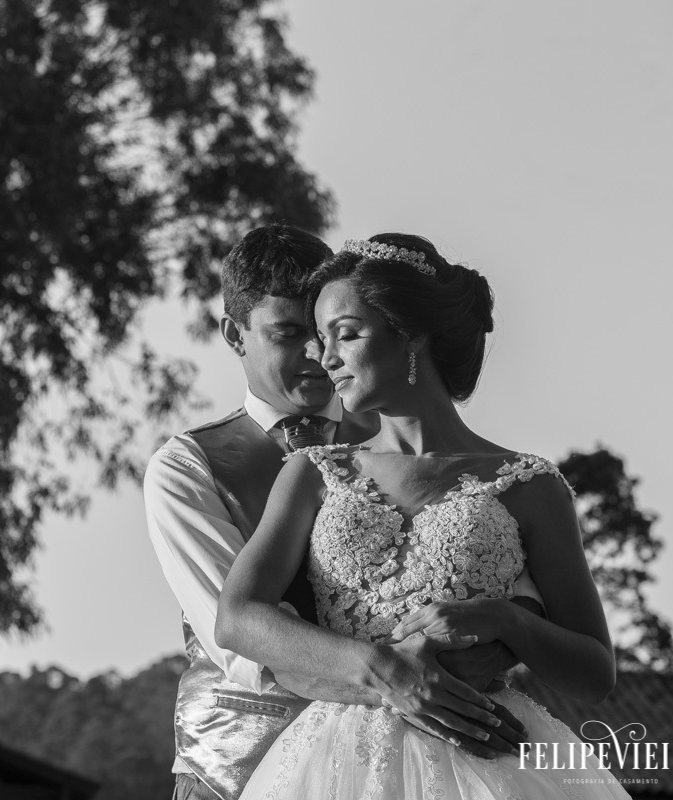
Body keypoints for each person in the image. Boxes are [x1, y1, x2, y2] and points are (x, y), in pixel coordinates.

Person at [217, 234, 628, 799]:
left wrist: (510, 621)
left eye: (346, 334)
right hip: (335, 768)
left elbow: (594, 673)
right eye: (319, 340)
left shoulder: (529, 485)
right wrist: (385, 670)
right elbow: (237, 618)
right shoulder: (313, 472)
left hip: (490, 759)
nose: (325, 359)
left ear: (410, 332)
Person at [145, 225, 542, 800]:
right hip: (236, 774)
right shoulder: (188, 466)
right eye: (287, 334)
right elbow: (239, 643)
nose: (317, 355)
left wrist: (496, 641)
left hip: (420, 767)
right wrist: (408, 680)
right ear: (235, 335)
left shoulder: (394, 438)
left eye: (329, 332)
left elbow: (516, 590)